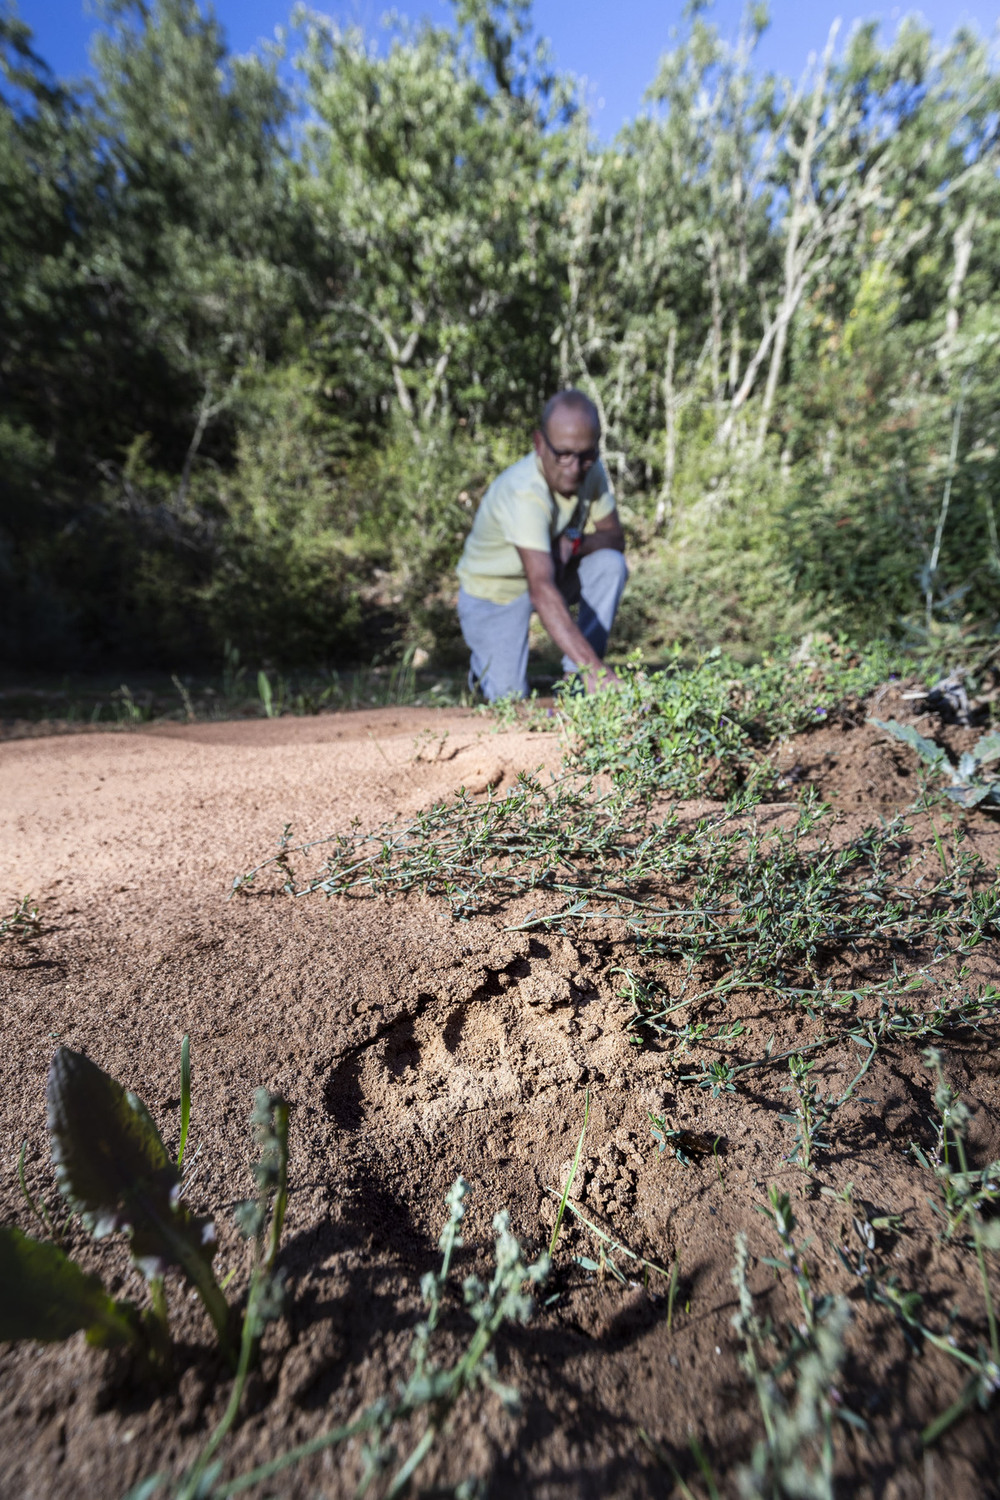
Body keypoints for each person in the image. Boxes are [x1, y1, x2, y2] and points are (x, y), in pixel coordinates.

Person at [456, 390, 628, 701]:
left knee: (609, 564)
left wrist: (574, 542)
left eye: (585, 455)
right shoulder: (524, 492)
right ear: (539, 444)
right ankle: (481, 676)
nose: (574, 467)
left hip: (550, 572)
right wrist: (596, 667)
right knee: (509, 698)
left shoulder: (592, 468)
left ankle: (578, 681)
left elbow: (615, 538)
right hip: (495, 594)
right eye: (563, 454)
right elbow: (541, 589)